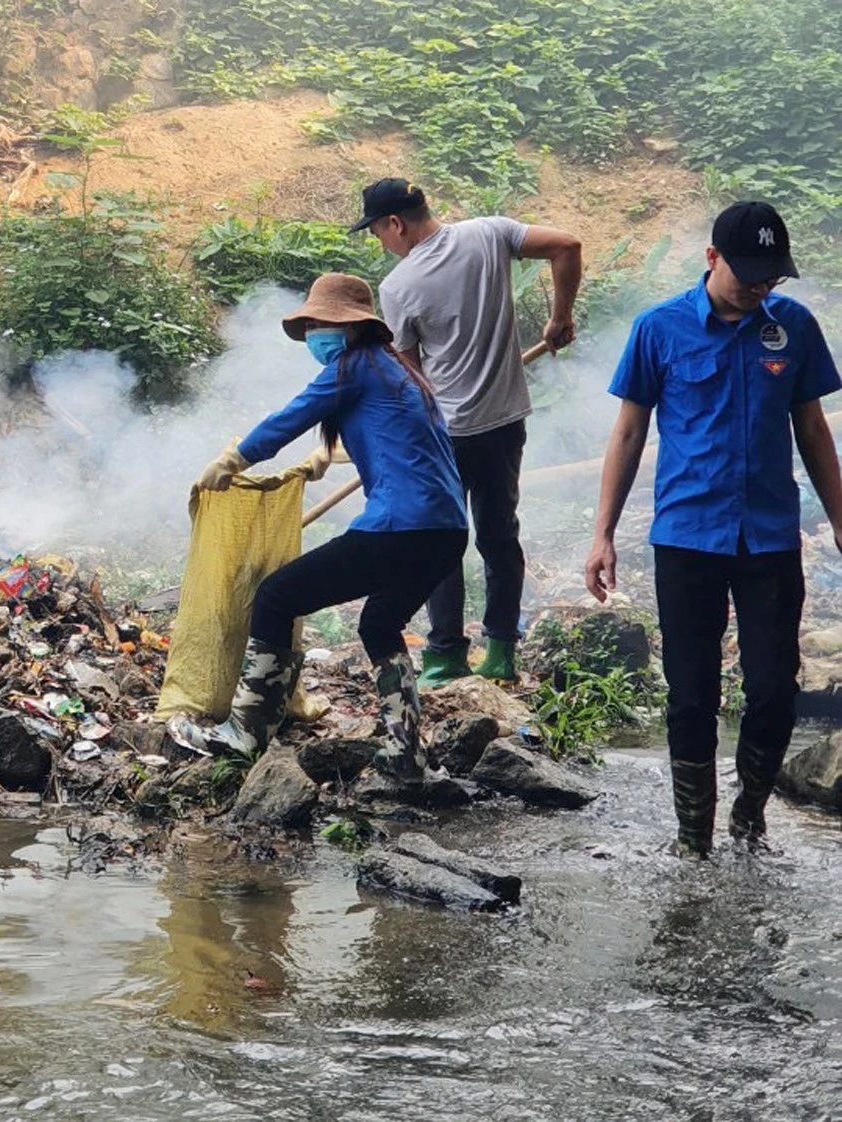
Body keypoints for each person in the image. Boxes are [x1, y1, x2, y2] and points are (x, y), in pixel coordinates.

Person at [585, 201, 842, 856]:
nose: (760, 286)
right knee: (692, 694)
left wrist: (840, 518)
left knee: (775, 690)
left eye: (771, 275)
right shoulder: (659, 328)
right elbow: (629, 430)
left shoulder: (794, 327)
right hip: (686, 538)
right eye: (748, 272)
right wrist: (603, 533)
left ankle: (750, 815)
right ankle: (692, 836)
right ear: (711, 258)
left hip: (770, 538)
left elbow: (811, 428)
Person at [177, 274, 468, 778]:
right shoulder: (396, 371)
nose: (315, 331)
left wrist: (233, 459)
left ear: (352, 327)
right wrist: (327, 455)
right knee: (379, 624)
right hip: (445, 530)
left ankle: (246, 733)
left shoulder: (354, 367)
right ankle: (406, 752)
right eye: (310, 323)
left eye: (322, 322)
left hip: (401, 527)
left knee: (276, 596)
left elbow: (291, 416)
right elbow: (400, 440)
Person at [356, 178, 583, 686]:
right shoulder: (490, 233)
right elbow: (567, 246)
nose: (380, 243)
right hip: (505, 423)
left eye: (376, 232)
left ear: (395, 223)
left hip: (446, 435)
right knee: (500, 535)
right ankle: (501, 652)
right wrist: (559, 317)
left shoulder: (398, 287)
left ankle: (445, 656)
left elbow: (412, 380)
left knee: (441, 542)